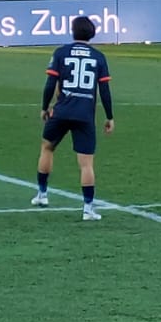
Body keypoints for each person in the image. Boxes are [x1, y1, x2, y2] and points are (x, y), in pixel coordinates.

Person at [32, 15, 116, 221]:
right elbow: (104, 90)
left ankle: (42, 194)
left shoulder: (61, 52)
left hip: (61, 111)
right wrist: (109, 116)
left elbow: (50, 84)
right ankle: (88, 209)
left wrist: (44, 107)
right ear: (92, 34)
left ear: (73, 31)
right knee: (86, 163)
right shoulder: (98, 57)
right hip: (85, 115)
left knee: (47, 148)